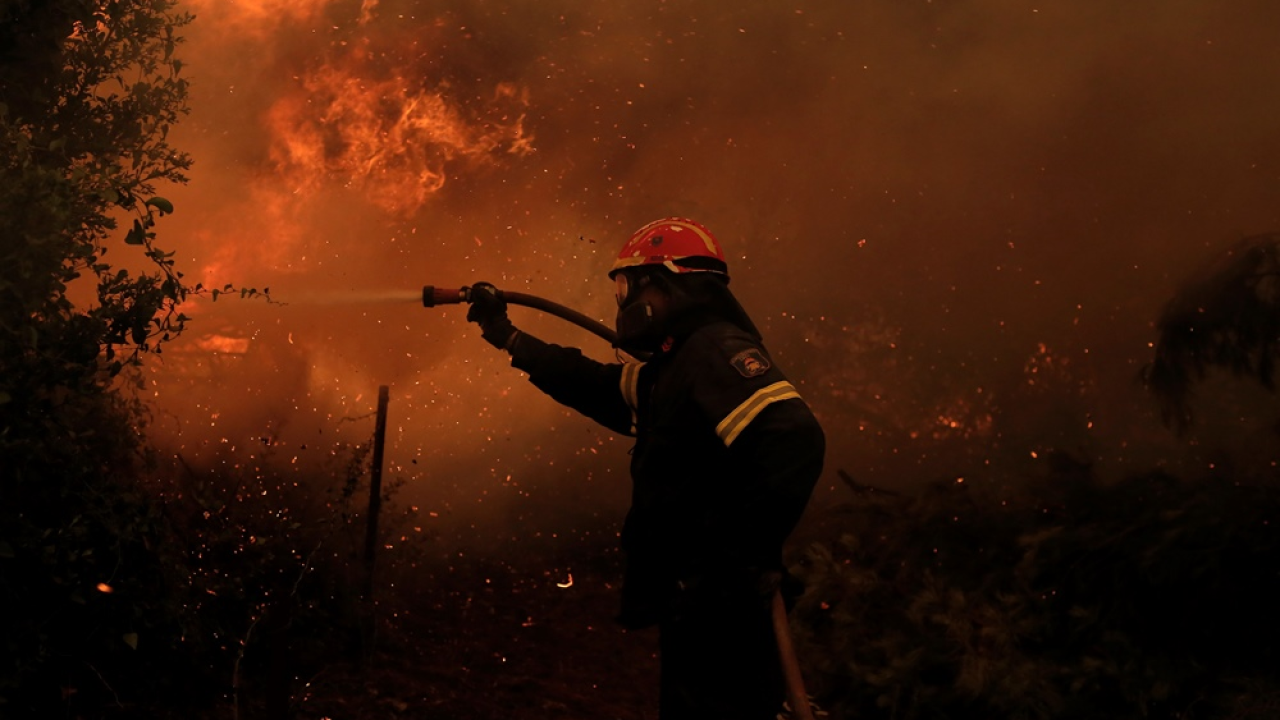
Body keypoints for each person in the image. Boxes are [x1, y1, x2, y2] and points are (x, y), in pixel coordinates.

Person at [466, 217, 825, 719]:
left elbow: (792, 438)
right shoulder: (676, 368)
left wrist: (738, 557)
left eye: (627, 287)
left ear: (666, 284)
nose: (624, 303)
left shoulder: (714, 351)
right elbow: (597, 386)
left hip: (721, 604)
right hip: (701, 599)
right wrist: (509, 338)